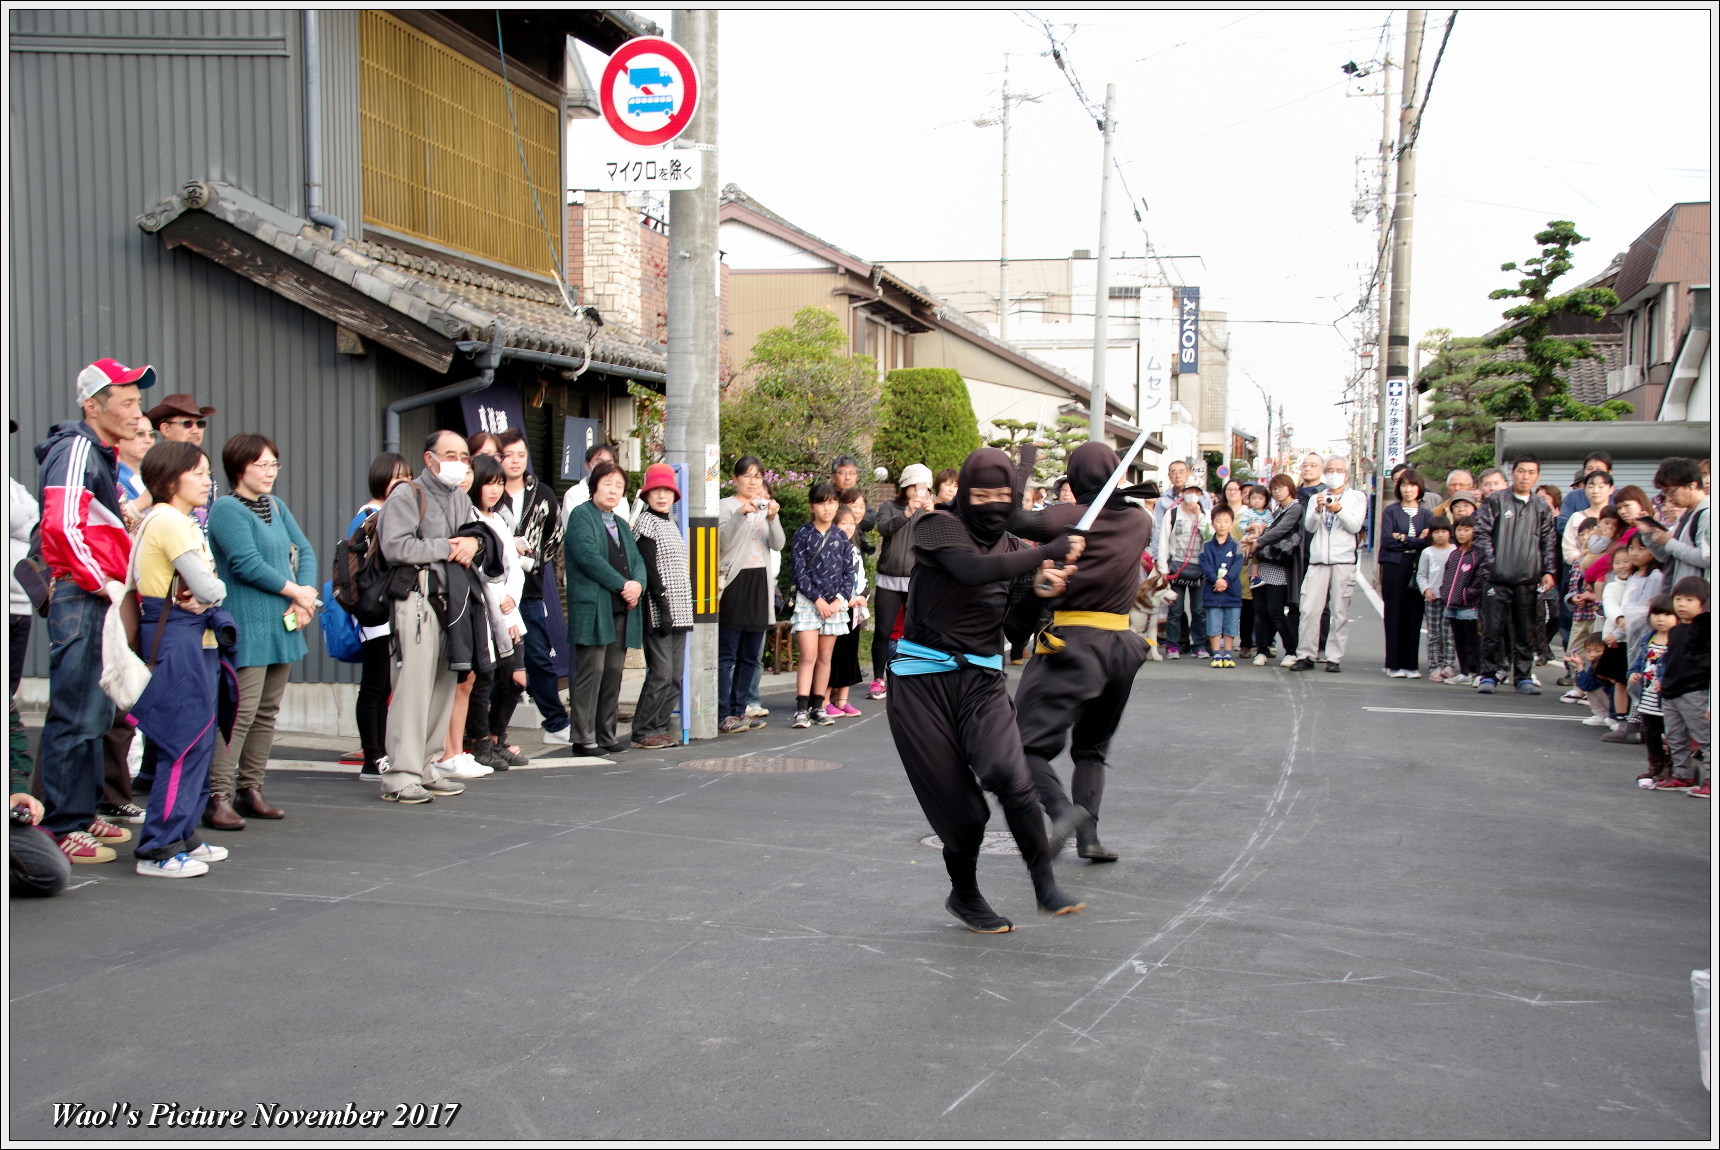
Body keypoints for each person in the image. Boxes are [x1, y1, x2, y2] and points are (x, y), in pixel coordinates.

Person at [887, 447, 1085, 931]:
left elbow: (1015, 629)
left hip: (981, 682)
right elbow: (969, 570)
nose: (992, 503)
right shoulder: (937, 527)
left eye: (1003, 495)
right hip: (920, 685)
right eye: (981, 494)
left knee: (1010, 776)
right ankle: (965, 894)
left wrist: (1042, 592)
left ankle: (1044, 884)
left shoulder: (1016, 551)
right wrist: (1049, 552)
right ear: (965, 495)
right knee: (964, 816)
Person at [33, 358, 154, 864]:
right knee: (77, 711)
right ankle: (61, 825)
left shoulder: (94, 451)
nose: (136, 411)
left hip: (93, 594)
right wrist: (105, 582)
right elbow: (60, 525)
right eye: (125, 401)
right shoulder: (79, 448)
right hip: (83, 594)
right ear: (92, 405)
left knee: (96, 710)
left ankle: (79, 814)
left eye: (138, 401)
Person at [1006, 440, 1151, 863]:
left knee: (1023, 745)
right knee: (1091, 749)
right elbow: (1117, 504)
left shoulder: (1069, 518)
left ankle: (1063, 811)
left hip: (1075, 643)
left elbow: (1012, 518)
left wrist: (1026, 463)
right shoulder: (1139, 521)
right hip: (1122, 647)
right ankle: (1090, 837)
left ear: (1074, 479)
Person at [127, 441, 238, 877]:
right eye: (198, 472)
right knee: (183, 743)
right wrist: (213, 589)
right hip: (178, 638)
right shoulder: (170, 520)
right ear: (170, 478)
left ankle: (183, 832)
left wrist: (210, 589)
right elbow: (209, 589)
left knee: (199, 741)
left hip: (195, 637)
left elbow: (206, 588)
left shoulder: (182, 521)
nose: (207, 481)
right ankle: (158, 846)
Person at [203, 434, 316, 829]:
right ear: (239, 467)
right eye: (261, 465)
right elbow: (246, 564)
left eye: (274, 465)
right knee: (240, 712)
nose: (269, 472)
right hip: (247, 623)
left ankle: (250, 788)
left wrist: (305, 596)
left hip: (282, 621)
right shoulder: (226, 510)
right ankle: (218, 794)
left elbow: (305, 551)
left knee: (267, 712)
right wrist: (296, 592)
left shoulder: (277, 506)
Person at [374, 431, 475, 805]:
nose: (460, 463)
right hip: (416, 597)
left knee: (442, 685)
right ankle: (401, 773)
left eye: (465, 456)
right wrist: (448, 548)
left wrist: (473, 543)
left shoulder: (461, 498)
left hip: (451, 601)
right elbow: (396, 546)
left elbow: (473, 538)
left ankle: (428, 765)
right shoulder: (407, 494)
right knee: (412, 687)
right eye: (452, 455)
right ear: (430, 458)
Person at [564, 461, 646, 757]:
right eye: (608, 483)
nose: (613, 490)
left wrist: (637, 583)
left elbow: (636, 559)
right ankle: (583, 737)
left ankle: (606, 733)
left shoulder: (621, 523)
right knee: (591, 671)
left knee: (613, 672)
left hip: (620, 606)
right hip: (593, 606)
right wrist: (624, 585)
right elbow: (588, 557)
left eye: (619, 486)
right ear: (594, 485)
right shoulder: (580, 516)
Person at [495, 428, 571, 747]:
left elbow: (554, 537)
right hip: (492, 589)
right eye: (508, 455)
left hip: (529, 589)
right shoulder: (486, 490)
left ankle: (555, 722)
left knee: (538, 655)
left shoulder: (542, 493)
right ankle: (487, 730)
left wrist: (534, 561)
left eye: (521, 455)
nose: (515, 461)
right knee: (492, 661)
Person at [462, 452, 528, 770]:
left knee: (514, 678)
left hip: (507, 607)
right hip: (484, 606)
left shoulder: (499, 519)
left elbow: (514, 568)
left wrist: (512, 598)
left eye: (499, 483)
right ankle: (479, 741)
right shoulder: (469, 518)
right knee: (485, 676)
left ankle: (496, 737)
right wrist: (501, 594)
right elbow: (480, 570)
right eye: (488, 483)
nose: (495, 489)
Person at [1471, 454, 1557, 696]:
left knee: (1525, 630)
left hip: (1528, 579)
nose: (1525, 476)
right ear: (1513, 473)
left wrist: (1549, 570)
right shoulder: (1496, 501)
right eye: (1521, 471)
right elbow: (1482, 534)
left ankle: (1523, 676)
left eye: (1531, 472)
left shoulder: (1541, 506)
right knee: (1492, 628)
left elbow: (1548, 541)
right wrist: (1492, 565)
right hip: (1497, 579)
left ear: (1537, 476)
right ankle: (1488, 674)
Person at [349, 453, 412, 781]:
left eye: (407, 476)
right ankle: (371, 755)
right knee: (374, 684)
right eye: (395, 476)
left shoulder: (391, 511)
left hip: (391, 609)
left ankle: (381, 751)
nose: (402, 482)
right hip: (375, 610)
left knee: (384, 683)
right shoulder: (369, 514)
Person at [716, 457, 782, 734]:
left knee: (751, 654)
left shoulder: (765, 507)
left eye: (757, 476)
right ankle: (723, 713)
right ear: (736, 479)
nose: (753, 481)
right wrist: (739, 515)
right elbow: (722, 542)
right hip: (734, 580)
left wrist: (773, 517)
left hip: (760, 582)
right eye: (747, 475)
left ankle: (741, 710)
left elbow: (778, 543)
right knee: (727, 653)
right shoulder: (725, 506)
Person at [629, 463, 693, 749]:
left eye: (667, 490)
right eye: (656, 490)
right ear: (646, 494)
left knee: (675, 675)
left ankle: (659, 726)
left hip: (681, 608)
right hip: (658, 608)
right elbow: (650, 569)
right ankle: (643, 729)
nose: (662, 496)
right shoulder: (645, 522)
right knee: (661, 672)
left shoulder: (671, 523)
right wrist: (662, 604)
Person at [1290, 456, 1366, 674]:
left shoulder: (1357, 497)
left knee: (1340, 611)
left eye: (1338, 470)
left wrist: (1339, 509)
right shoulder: (1317, 498)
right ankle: (1305, 654)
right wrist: (1318, 509)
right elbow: (1310, 527)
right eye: (1330, 469)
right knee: (1309, 609)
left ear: (1347, 474)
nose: (1334, 473)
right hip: (1318, 560)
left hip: (1343, 560)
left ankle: (1334, 657)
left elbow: (1355, 526)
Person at [789, 483, 852, 729]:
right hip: (808, 602)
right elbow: (798, 571)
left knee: (826, 657)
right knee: (808, 655)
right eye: (822, 502)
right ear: (812, 506)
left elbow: (849, 573)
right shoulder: (802, 534)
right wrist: (817, 599)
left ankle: (819, 707)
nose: (828, 508)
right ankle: (801, 709)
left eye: (832, 502)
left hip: (834, 606)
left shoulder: (840, 536)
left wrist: (838, 600)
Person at [870, 463, 934, 701]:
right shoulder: (889, 507)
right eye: (915, 486)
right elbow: (884, 528)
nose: (919, 491)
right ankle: (878, 678)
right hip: (888, 579)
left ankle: (912, 677)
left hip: (917, 579)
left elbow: (940, 537)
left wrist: (931, 512)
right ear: (905, 486)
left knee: (918, 632)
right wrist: (907, 512)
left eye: (924, 486)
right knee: (884, 631)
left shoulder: (930, 510)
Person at [1651, 576, 1710, 795]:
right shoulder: (1675, 630)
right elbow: (1669, 660)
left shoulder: (1706, 629)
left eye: (1689, 599)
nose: (1682, 604)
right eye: (1678, 599)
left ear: (1702, 602)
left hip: (1695, 691)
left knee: (1706, 738)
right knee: (1675, 737)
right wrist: (1663, 681)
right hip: (1671, 691)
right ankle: (1682, 775)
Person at [1245, 474, 1304, 667]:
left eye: (1281, 487)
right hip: (1262, 564)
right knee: (1260, 612)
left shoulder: (1295, 508)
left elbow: (1282, 530)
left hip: (1277, 565)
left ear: (1290, 487)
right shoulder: (1277, 509)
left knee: (1276, 612)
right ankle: (1262, 650)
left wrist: (1258, 541)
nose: (1277, 491)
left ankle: (1291, 650)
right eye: (1274, 488)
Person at [1379, 468, 1432, 677]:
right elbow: (1387, 540)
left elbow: (1429, 542)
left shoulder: (1427, 514)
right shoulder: (1391, 511)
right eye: (1403, 485)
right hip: (1394, 566)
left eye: (1412, 485)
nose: (1408, 490)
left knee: (1414, 615)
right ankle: (1393, 663)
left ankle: (1411, 665)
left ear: (1419, 488)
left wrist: (1404, 538)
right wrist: (1415, 540)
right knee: (1394, 614)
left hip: (1417, 566)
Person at [1155, 482, 1211, 659]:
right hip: (1176, 566)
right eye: (1189, 491)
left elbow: (1210, 537)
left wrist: (1199, 516)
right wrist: (1163, 569)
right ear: (1182, 493)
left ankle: (1200, 645)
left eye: (1196, 492)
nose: (1192, 495)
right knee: (1175, 609)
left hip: (1200, 568)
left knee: (1199, 609)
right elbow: (1163, 540)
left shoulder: (1205, 514)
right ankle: (1173, 645)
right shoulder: (1172, 513)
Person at [145, 392, 217, 528]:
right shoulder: (154, 467)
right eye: (187, 423)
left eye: (200, 423)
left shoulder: (205, 467)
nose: (196, 430)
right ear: (166, 429)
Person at [824, 505, 869, 717]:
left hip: (855, 609)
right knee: (833, 654)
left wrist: (863, 597)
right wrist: (847, 599)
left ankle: (842, 699)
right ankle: (824, 699)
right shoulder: (831, 548)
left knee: (850, 653)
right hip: (837, 607)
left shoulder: (855, 550)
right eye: (844, 523)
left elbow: (862, 578)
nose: (849, 527)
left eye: (852, 523)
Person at [1629, 595, 1678, 786]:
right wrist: (1633, 673)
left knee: (1673, 735)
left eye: (1667, 614)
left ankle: (1672, 768)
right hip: (1647, 695)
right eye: (1657, 614)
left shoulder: (1677, 640)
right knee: (1651, 734)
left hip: (1667, 698)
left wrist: (1666, 681)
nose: (1661, 619)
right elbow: (1638, 661)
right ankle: (1655, 767)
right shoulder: (1648, 638)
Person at [1646, 457, 1709, 588]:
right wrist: (1648, 534)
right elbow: (1666, 556)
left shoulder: (1707, 514)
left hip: (1698, 599)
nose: (1669, 498)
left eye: (1671, 492)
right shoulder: (1686, 514)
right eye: (1664, 493)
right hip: (1679, 594)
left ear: (1692, 485)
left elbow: (1707, 558)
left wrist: (1670, 543)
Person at [1438, 515, 1487, 684]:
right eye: (1459, 529)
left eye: (1467, 530)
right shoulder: (1454, 554)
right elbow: (1447, 577)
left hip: (1469, 605)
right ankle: (1464, 672)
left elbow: (1481, 579)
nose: (1462, 533)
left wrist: (1468, 594)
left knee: (1473, 639)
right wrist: (1445, 593)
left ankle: (1479, 673)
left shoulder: (1478, 554)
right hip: (1451, 603)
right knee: (1458, 639)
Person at [1201, 505, 1244, 668]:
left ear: (1231, 524)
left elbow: (1237, 566)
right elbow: (1205, 566)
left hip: (1232, 590)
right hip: (1212, 591)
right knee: (1213, 622)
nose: (1222, 524)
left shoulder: (1236, 545)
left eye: (1226, 521)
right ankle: (1216, 653)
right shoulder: (1206, 545)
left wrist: (1225, 581)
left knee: (1231, 623)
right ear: (1212, 523)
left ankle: (1227, 653)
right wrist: (1216, 580)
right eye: (1219, 521)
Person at [1417, 517, 1457, 680]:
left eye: (1443, 532)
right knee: (1434, 634)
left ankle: (1449, 665)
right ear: (1431, 534)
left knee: (1449, 634)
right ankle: (1434, 666)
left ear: (1449, 533)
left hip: (1451, 599)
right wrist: (1426, 589)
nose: (1440, 535)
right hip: (1432, 598)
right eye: (1436, 532)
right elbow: (1421, 575)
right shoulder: (1427, 552)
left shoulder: (1455, 550)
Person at [560, 441, 626, 531]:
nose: (605, 467)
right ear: (587, 465)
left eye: (609, 462)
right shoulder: (574, 494)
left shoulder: (620, 497)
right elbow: (574, 529)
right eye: (600, 462)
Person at [1561, 470, 1615, 566]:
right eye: (1590, 486)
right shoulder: (1576, 517)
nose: (1595, 490)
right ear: (1585, 489)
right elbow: (1568, 551)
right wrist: (1585, 558)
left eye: (1601, 486)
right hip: (1581, 570)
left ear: (1611, 489)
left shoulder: (1615, 517)